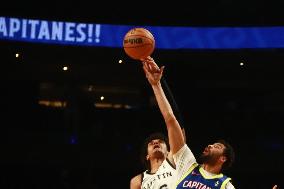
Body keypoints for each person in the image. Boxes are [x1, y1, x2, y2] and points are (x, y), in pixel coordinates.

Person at [140, 56, 236, 189]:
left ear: (223, 159)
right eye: (212, 144)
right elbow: (170, 120)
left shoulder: (225, 185)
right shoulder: (187, 164)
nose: (210, 145)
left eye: (217, 146)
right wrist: (156, 85)